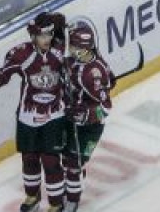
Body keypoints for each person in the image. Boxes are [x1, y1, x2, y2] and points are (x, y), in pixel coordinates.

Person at [0, 12, 68, 212]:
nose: (47, 39)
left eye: (49, 34)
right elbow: (5, 72)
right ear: (33, 36)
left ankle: (56, 204)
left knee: (51, 160)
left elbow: (78, 68)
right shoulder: (21, 53)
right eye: (42, 36)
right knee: (29, 159)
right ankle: (32, 197)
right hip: (27, 116)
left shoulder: (61, 50)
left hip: (54, 115)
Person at [61, 24, 116, 212]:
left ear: (83, 48)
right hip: (71, 121)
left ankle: (72, 202)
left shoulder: (91, 74)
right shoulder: (75, 62)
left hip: (90, 128)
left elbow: (106, 108)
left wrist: (86, 114)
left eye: (73, 45)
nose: (70, 48)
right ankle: (70, 188)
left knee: (74, 164)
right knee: (67, 160)